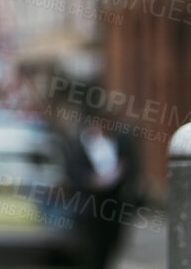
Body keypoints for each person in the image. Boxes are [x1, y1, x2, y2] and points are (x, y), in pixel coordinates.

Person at [65, 110, 141, 269]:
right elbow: (73, 171)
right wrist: (90, 181)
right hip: (89, 206)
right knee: (91, 249)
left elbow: (132, 168)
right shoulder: (80, 143)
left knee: (111, 246)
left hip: (114, 205)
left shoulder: (121, 141)